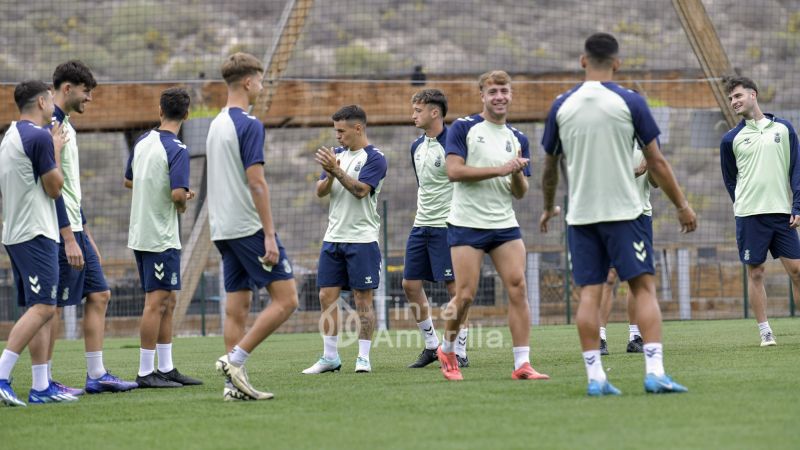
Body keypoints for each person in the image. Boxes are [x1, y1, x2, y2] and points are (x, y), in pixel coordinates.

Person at [540, 33, 696, 396]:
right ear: (617, 63)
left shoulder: (560, 106)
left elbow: (550, 168)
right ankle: (654, 372)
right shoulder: (631, 101)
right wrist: (682, 205)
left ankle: (596, 379)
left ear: (583, 61)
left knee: (589, 294)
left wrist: (549, 206)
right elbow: (655, 160)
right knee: (643, 288)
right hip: (626, 213)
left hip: (580, 216)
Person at [437, 70, 549, 382]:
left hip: (504, 225)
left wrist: (514, 173)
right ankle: (447, 349)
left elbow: (521, 191)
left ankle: (522, 364)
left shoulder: (519, 138)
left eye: (504, 90)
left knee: (518, 286)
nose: (499, 96)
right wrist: (501, 168)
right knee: (466, 295)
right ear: (482, 96)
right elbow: (454, 172)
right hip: (467, 223)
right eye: (493, 92)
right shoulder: (464, 127)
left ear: (511, 94)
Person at [209, 53, 298, 401]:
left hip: (222, 229)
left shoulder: (216, 123)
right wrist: (269, 233)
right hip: (247, 226)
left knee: (238, 306)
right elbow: (256, 183)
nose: (262, 86)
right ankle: (235, 360)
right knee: (287, 299)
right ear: (248, 82)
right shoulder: (249, 123)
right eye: (261, 80)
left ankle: (235, 387)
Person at [47, 61, 138, 395]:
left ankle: (97, 375)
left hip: (77, 229)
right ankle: (43, 381)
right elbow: (51, 188)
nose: (90, 99)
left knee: (100, 294)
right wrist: (68, 235)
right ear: (68, 88)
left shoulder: (66, 125)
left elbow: (70, 187)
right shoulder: (50, 126)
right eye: (87, 92)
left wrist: (87, 234)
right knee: (50, 308)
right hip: (61, 231)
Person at [0, 80, 76, 406]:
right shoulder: (40, 137)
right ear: (43, 102)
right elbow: (55, 187)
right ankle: (2, 374)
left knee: (41, 308)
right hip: (35, 233)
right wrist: (56, 150)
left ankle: (41, 386)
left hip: (19, 232)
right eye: (50, 99)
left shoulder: (11, 134)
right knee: (45, 306)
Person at [124, 87, 202, 389]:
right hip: (160, 235)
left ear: (160, 111)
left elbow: (129, 180)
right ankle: (146, 372)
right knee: (156, 302)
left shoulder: (143, 141)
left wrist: (167, 189)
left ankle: (166, 367)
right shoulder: (177, 148)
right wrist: (183, 201)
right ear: (187, 114)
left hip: (141, 231)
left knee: (168, 300)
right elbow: (176, 195)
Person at [303, 104, 387, 375]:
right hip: (333, 238)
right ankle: (330, 357)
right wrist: (328, 173)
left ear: (358, 128)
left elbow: (361, 190)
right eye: (335, 131)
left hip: (362, 239)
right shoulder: (335, 155)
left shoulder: (375, 158)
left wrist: (336, 171)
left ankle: (363, 358)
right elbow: (320, 191)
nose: (337, 136)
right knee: (326, 296)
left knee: (363, 299)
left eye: (341, 131)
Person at [720, 76, 800, 347]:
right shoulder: (730, 139)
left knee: (797, 271)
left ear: (753, 95)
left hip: (781, 213)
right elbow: (730, 180)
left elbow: (796, 171)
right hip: (749, 215)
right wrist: (743, 203)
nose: (734, 102)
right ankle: (765, 330)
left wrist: (797, 205)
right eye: (731, 98)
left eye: (738, 96)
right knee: (756, 273)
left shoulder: (784, 129)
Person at [404, 89, 469, 369]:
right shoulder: (415, 147)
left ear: (434, 112)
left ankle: (459, 350)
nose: (413, 115)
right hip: (421, 225)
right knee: (409, 284)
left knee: (455, 288)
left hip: (448, 226)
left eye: (418, 110)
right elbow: (424, 186)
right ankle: (432, 346)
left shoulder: (454, 143)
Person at [599, 146, 653, 355]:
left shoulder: (647, 143)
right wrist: (636, 171)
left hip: (640, 217)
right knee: (609, 277)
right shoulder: (607, 140)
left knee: (637, 277)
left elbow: (655, 182)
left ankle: (635, 336)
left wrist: (652, 163)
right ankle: (600, 337)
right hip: (611, 215)